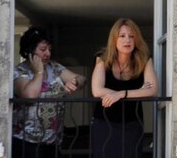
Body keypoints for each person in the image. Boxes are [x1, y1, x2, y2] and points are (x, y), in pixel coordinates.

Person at [12, 26, 86, 158]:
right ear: (29, 50)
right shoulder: (19, 72)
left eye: (49, 50)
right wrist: (39, 72)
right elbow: (30, 95)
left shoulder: (55, 67)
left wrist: (75, 82)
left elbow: (82, 78)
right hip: (26, 142)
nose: (48, 54)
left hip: (52, 141)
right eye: (42, 50)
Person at [90, 18, 157, 158]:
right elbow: (97, 90)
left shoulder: (144, 59)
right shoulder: (102, 58)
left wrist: (121, 94)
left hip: (132, 123)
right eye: (122, 36)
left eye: (132, 36)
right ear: (114, 39)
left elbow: (152, 90)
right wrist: (138, 92)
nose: (127, 40)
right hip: (104, 122)